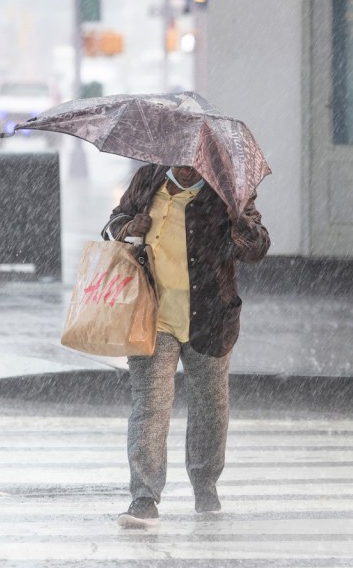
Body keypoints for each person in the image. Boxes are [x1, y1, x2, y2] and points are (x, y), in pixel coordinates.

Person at [101, 163, 270, 528]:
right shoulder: (148, 180)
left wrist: (237, 216)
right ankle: (144, 497)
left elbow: (257, 248)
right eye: (180, 157)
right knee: (150, 406)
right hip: (151, 315)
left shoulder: (229, 190)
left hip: (210, 316)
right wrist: (127, 228)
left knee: (210, 405)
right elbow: (112, 224)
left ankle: (205, 485)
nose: (186, 166)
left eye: (195, 159)